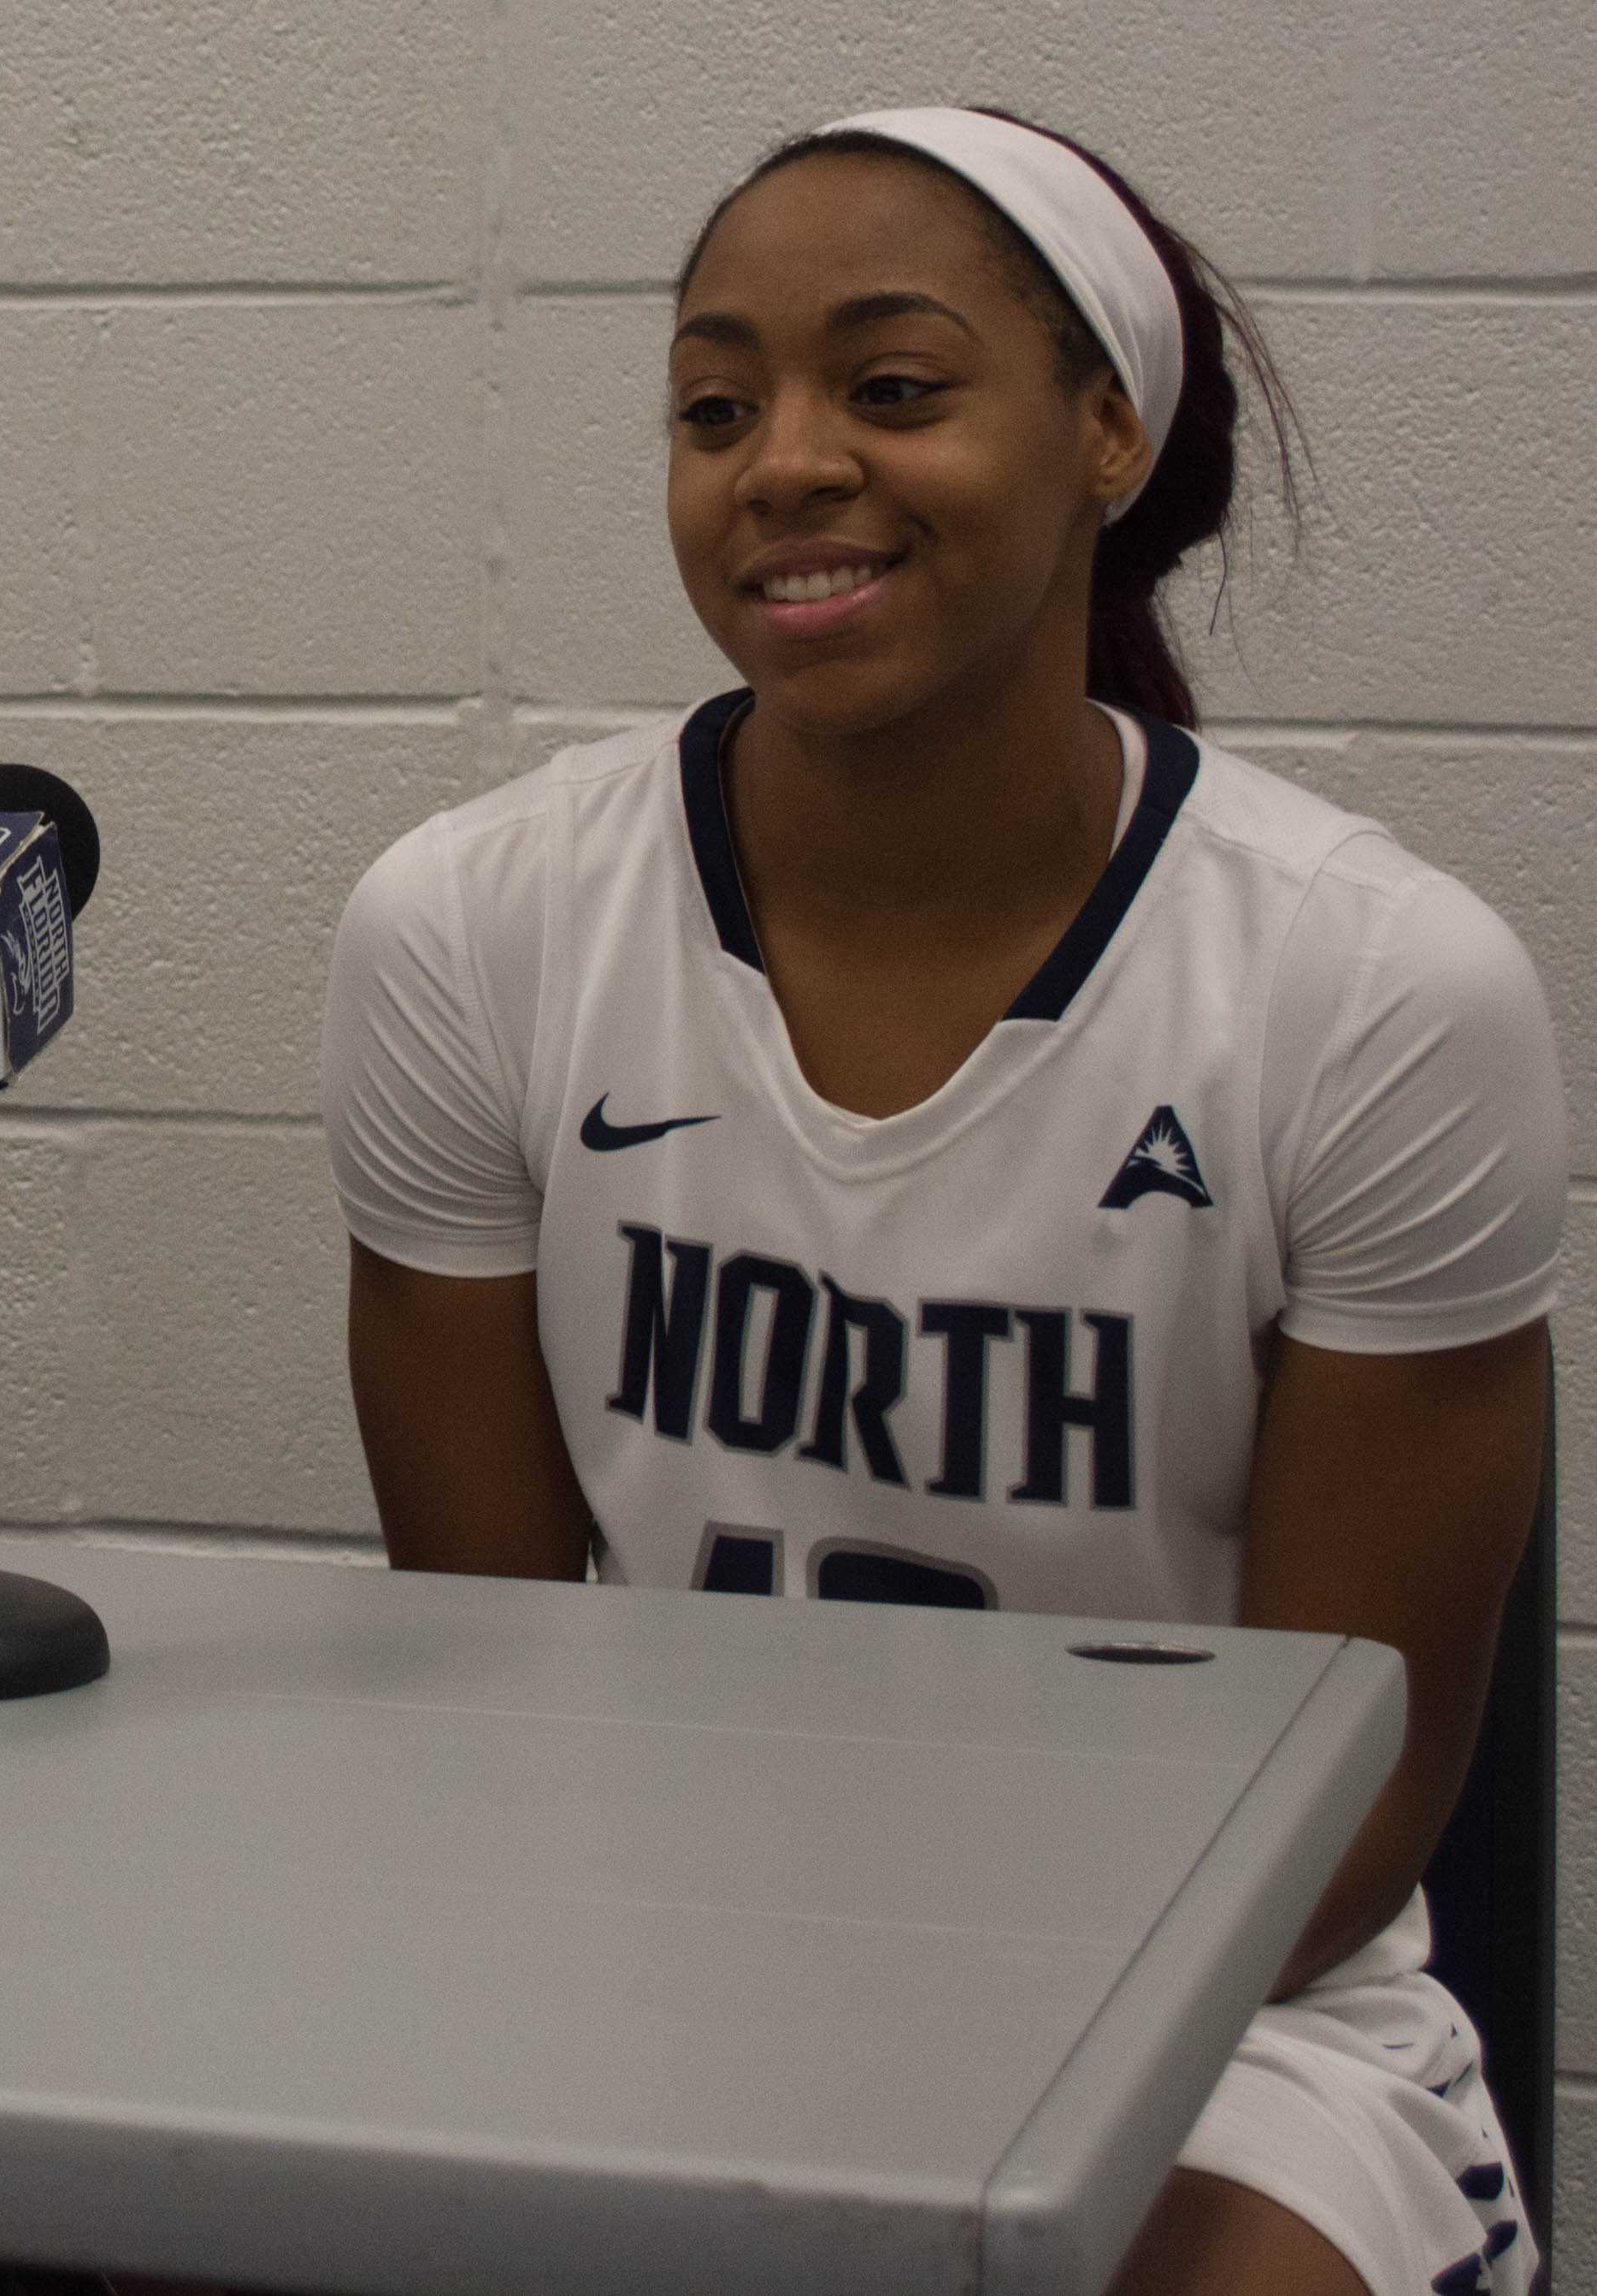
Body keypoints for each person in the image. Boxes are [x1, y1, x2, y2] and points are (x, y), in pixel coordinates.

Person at [327, 107, 1561, 2296]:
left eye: (890, 388)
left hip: (1224, 2011)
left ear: (1104, 431)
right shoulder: (470, 928)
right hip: (655, 1957)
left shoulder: (1372, 987)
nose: (783, 463)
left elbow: (1347, 1817)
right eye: (716, 407)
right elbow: (486, 1666)